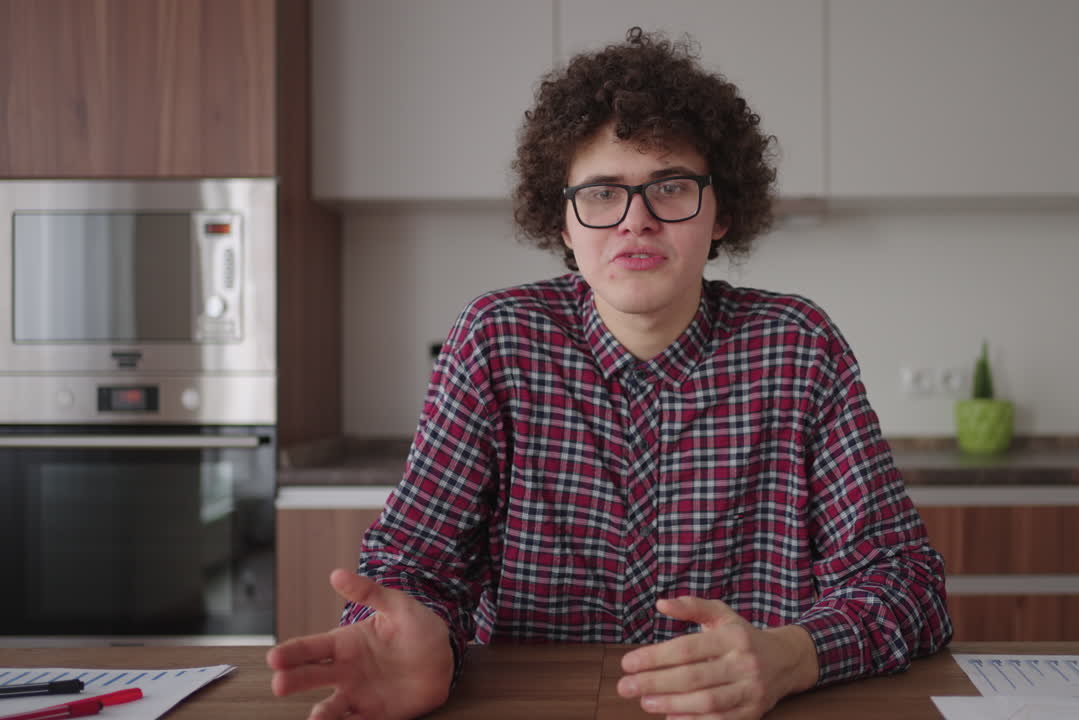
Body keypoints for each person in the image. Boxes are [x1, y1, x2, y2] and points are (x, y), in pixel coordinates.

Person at [267, 27, 952, 720]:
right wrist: (413, 637)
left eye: (672, 188)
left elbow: (907, 585)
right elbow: (411, 570)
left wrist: (796, 654)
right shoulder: (497, 341)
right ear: (562, 222)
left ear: (722, 213)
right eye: (601, 194)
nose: (637, 222)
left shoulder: (798, 347)